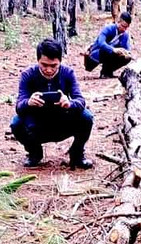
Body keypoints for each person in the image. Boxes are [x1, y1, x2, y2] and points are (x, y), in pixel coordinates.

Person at [11, 38, 94, 170]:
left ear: (60, 62)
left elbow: (80, 100)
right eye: (44, 65)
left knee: (87, 117)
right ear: (37, 60)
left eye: (54, 66)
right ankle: (34, 153)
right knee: (16, 123)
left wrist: (69, 103)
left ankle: (77, 154)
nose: (49, 70)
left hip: (63, 121)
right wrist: (28, 102)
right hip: (37, 125)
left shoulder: (68, 73)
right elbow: (19, 106)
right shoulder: (27, 75)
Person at [84, 12, 133, 77]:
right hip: (95, 54)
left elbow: (127, 49)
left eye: (126, 27)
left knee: (127, 58)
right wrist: (113, 49)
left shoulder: (125, 35)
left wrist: (126, 53)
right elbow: (101, 43)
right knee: (106, 50)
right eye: (123, 26)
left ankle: (108, 72)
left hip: (110, 56)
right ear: (118, 22)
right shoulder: (109, 28)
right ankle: (105, 72)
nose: (124, 29)